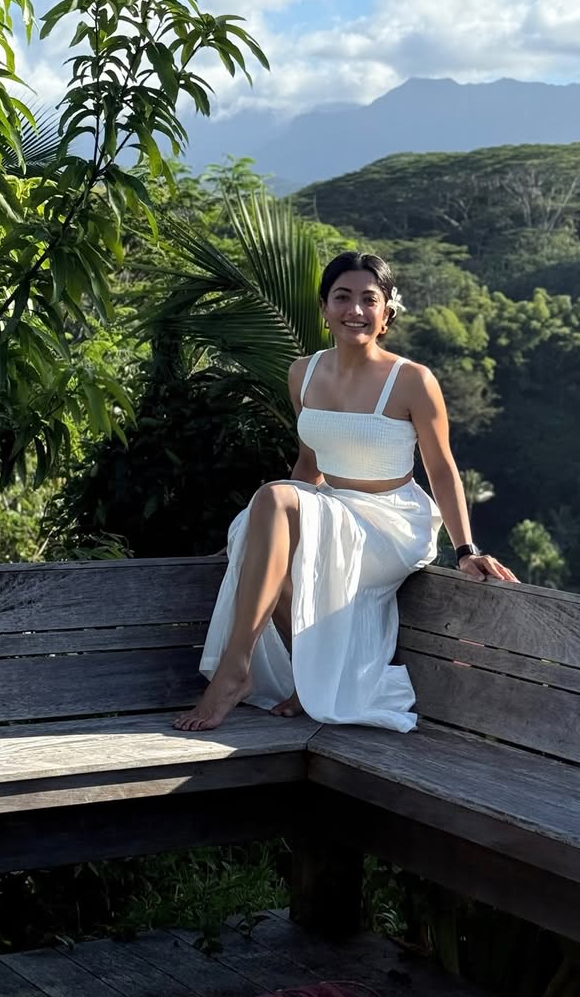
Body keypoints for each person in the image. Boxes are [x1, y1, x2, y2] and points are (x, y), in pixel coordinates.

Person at [174, 251, 518, 734]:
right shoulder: (303, 373)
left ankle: (234, 670)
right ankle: (306, 679)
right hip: (334, 508)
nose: (354, 310)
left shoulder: (412, 380)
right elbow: (310, 465)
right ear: (324, 307)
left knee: (271, 499)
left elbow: (441, 469)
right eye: (342, 297)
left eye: (368, 300)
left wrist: (466, 549)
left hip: (391, 523)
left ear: (386, 312)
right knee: (261, 521)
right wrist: (257, 536)